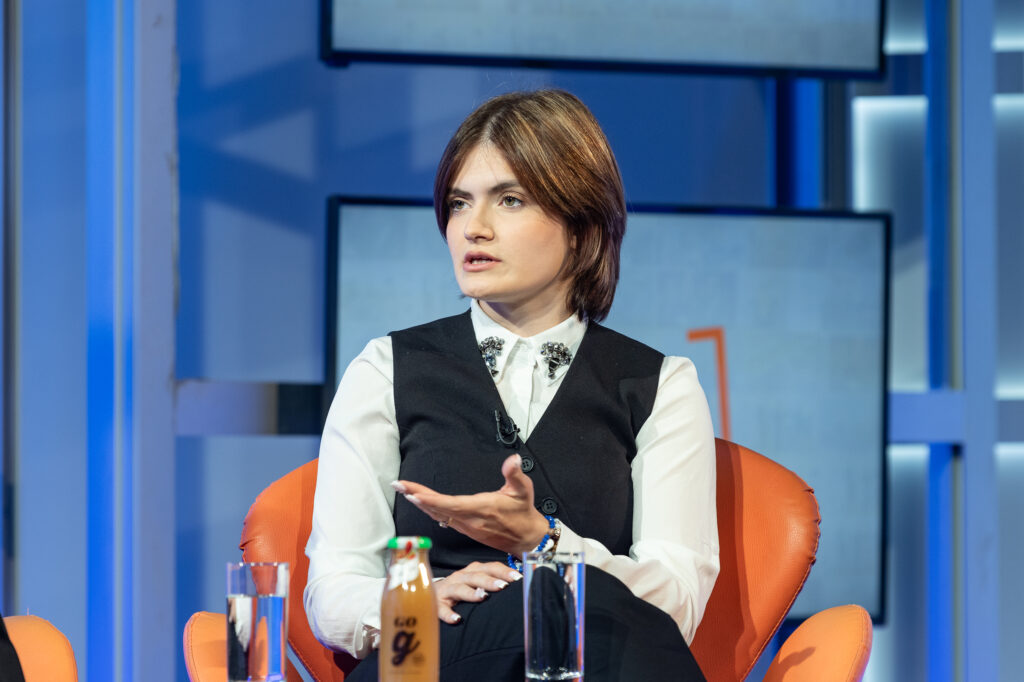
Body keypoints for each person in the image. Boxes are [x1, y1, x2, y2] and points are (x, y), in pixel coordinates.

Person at [304, 89, 718, 681]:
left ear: (581, 225)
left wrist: (545, 544)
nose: (473, 228)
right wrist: (422, 596)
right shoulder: (385, 368)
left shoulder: (659, 386)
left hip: (594, 659)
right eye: (459, 203)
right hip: (429, 658)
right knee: (525, 616)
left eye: (510, 200)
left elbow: (676, 602)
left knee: (576, 618)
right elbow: (333, 590)